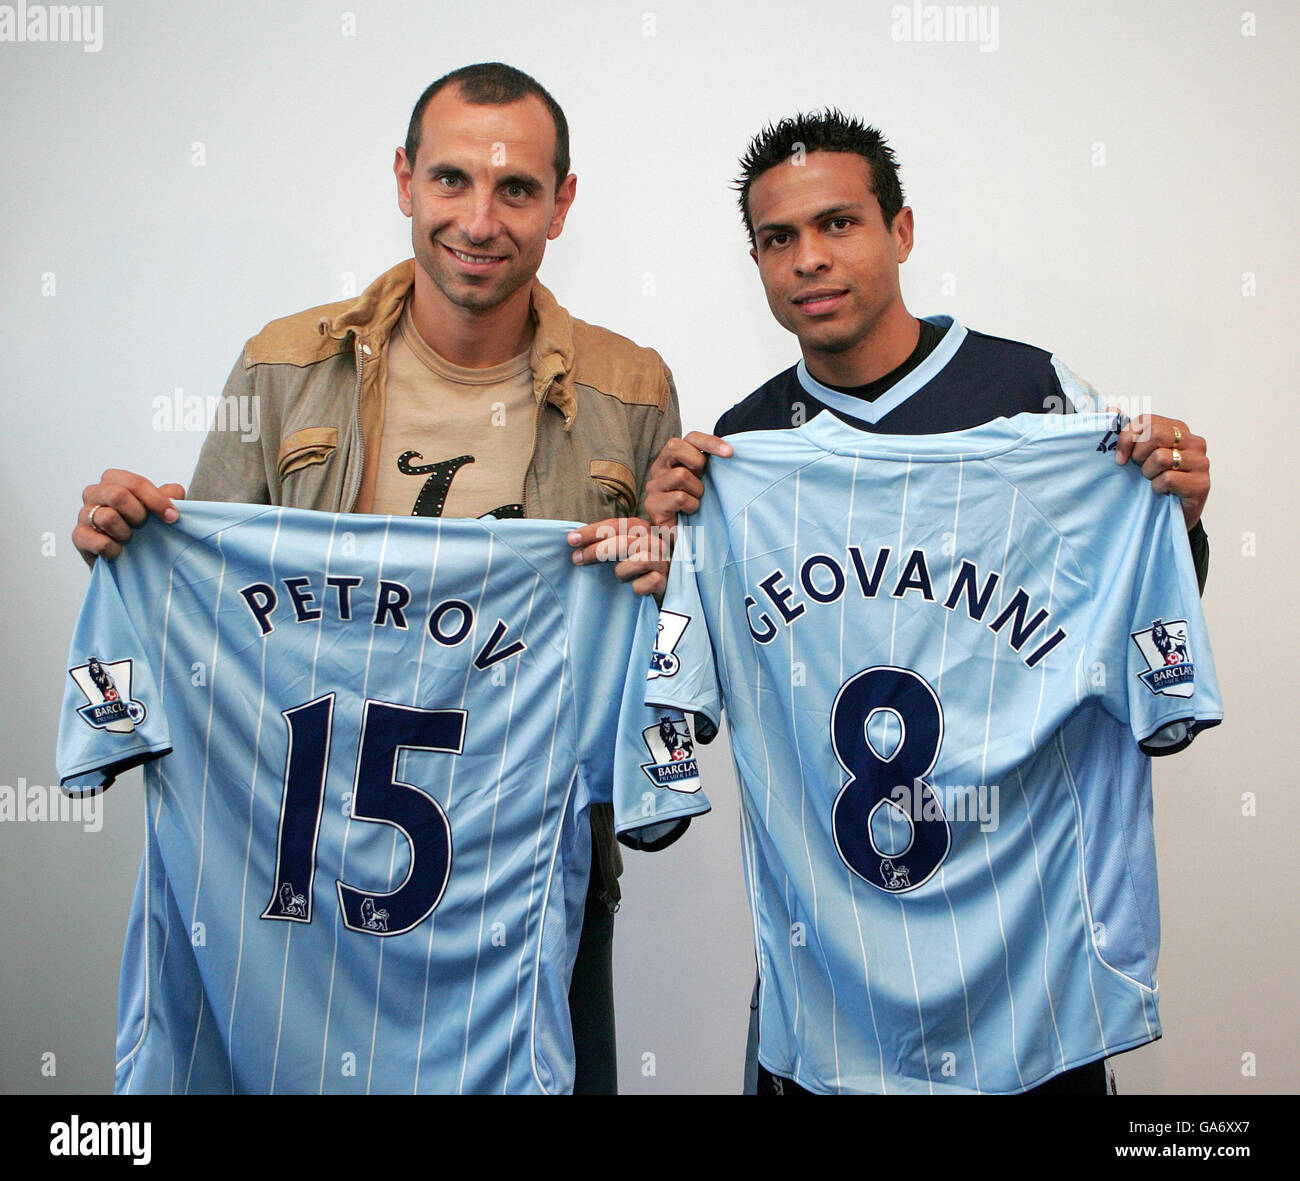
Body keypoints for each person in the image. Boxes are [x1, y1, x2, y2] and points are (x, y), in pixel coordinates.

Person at [72, 61, 678, 1095]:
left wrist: (664, 584)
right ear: (403, 179)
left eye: (516, 189)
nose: (478, 220)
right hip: (293, 893)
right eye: (450, 180)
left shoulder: (632, 392)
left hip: (524, 893)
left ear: (561, 204)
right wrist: (139, 549)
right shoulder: (281, 368)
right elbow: (201, 619)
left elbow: (664, 665)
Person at [643, 110, 1214, 1094]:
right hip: (828, 986)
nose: (810, 261)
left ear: (899, 231)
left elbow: (1129, 630)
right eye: (779, 240)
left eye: (838, 224)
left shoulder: (1037, 397)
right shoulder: (738, 449)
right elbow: (679, 686)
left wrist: (1176, 522)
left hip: (1026, 980)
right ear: (756, 261)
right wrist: (664, 554)